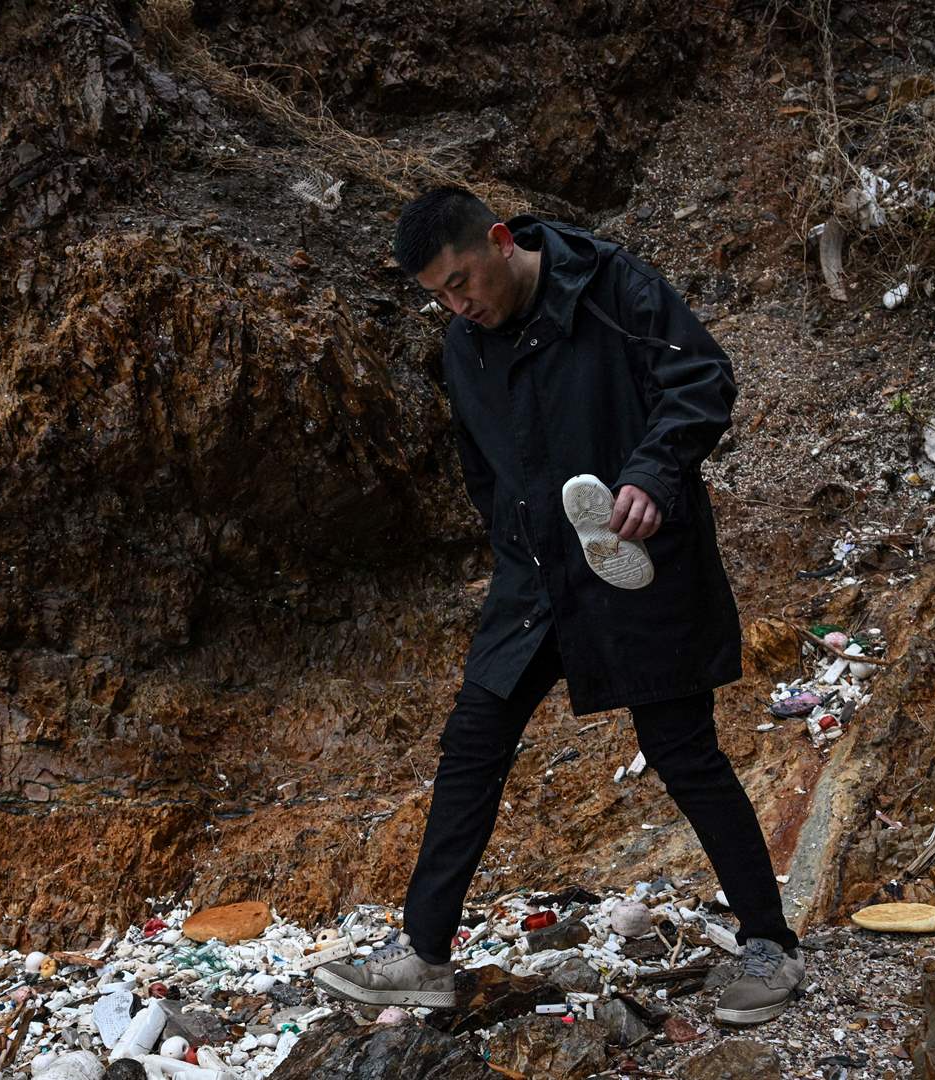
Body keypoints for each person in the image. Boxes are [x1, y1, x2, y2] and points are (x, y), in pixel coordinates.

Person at [312, 188, 804, 1026]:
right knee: (474, 738)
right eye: (440, 294)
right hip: (534, 575)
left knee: (680, 749)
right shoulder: (463, 346)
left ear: (501, 241)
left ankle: (769, 943)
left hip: (634, 560)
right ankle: (424, 955)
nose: (459, 304)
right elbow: (483, 467)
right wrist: (511, 546)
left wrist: (653, 472)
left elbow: (703, 377)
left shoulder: (612, 290)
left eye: (464, 281)